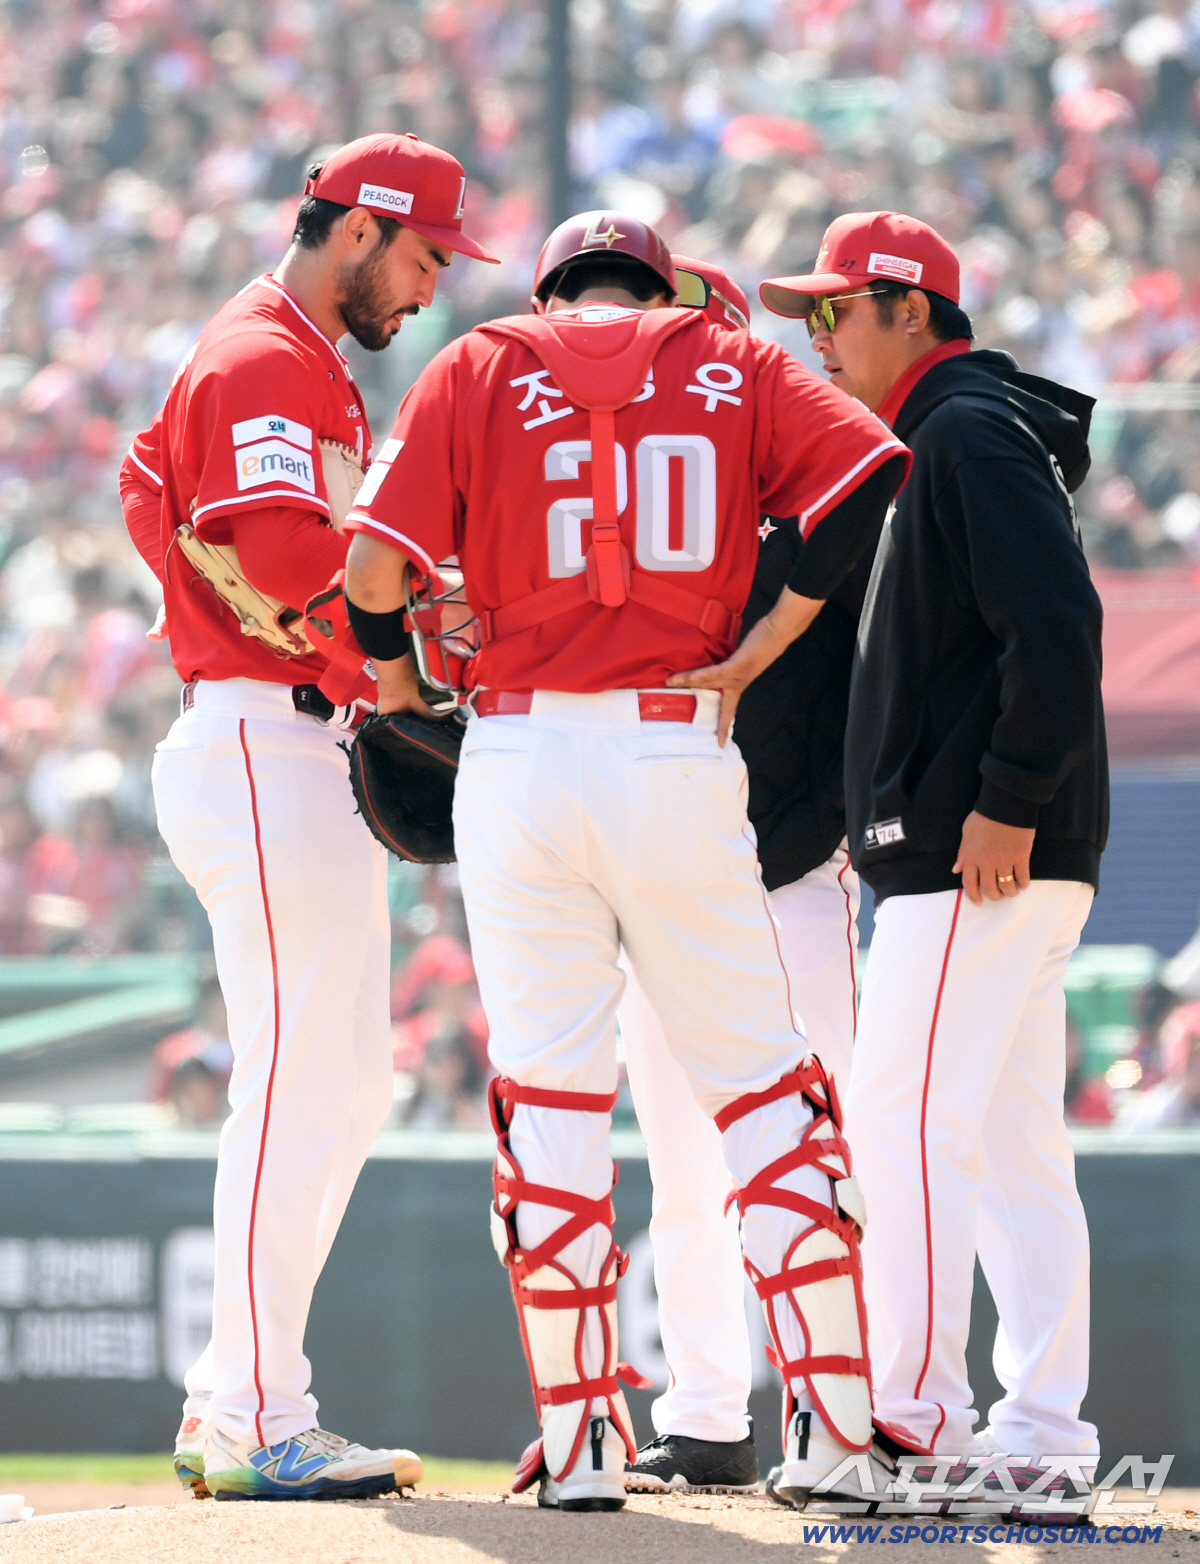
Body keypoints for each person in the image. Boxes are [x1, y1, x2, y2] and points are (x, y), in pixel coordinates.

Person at [342, 209, 910, 1512]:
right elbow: (877, 476)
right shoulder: (732, 359)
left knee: (548, 1107)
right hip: (676, 745)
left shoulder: (482, 360)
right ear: (660, 287)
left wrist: (403, 691)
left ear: (552, 292)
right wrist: (763, 645)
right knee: (768, 1100)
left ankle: (587, 1445)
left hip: (523, 756)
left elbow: (373, 566)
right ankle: (831, 1438)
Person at [118, 132, 497, 1503]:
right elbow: (276, 550)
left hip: (282, 743)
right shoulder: (264, 355)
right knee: (296, 1081)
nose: (433, 283)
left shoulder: (291, 360)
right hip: (264, 740)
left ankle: (238, 1390)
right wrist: (388, 670)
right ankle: (259, 1412)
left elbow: (165, 503)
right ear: (357, 229)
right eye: (425, 251)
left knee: (343, 1084)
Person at [757, 211, 1108, 1515]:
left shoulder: (961, 428)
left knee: (904, 1128)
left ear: (911, 309)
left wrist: (1011, 799)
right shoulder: (939, 438)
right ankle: (1044, 1437)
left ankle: (913, 1423)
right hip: (997, 856)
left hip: (977, 856)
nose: (819, 334)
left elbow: (1060, 621)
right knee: (1013, 1152)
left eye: (836, 308)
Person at [619, 257, 873, 1497]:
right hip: (671, 888)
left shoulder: (800, 502)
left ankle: (847, 1412)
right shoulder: (629, 512)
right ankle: (711, 1412)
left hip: (782, 879)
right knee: (683, 1171)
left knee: (835, 1152)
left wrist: (830, 832)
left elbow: (857, 696)